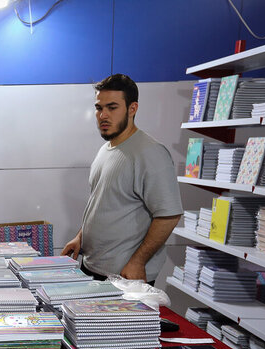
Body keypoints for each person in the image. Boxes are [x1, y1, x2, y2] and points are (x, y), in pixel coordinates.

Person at [61, 74, 182, 284]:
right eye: (99, 108)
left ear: (132, 109)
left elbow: (169, 215)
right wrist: (81, 237)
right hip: (91, 268)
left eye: (112, 107)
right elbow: (102, 204)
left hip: (124, 278)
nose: (103, 115)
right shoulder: (106, 149)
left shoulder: (151, 153)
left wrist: (138, 261)